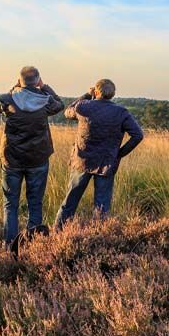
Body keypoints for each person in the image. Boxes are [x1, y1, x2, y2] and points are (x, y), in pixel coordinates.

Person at [55, 78, 143, 228]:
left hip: (82, 161)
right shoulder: (121, 112)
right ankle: (98, 237)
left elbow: (68, 111)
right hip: (106, 163)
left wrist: (87, 95)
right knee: (101, 207)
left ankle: (57, 234)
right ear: (113, 94)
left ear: (96, 92)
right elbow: (138, 135)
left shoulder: (83, 106)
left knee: (70, 201)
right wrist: (119, 154)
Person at [0, 65, 63, 250]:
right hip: (37, 158)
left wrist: (15, 87)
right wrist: (45, 87)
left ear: (20, 80)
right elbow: (60, 104)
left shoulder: (9, 100)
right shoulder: (45, 101)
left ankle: (10, 248)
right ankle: (31, 247)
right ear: (38, 80)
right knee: (35, 203)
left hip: (12, 159)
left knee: (10, 204)